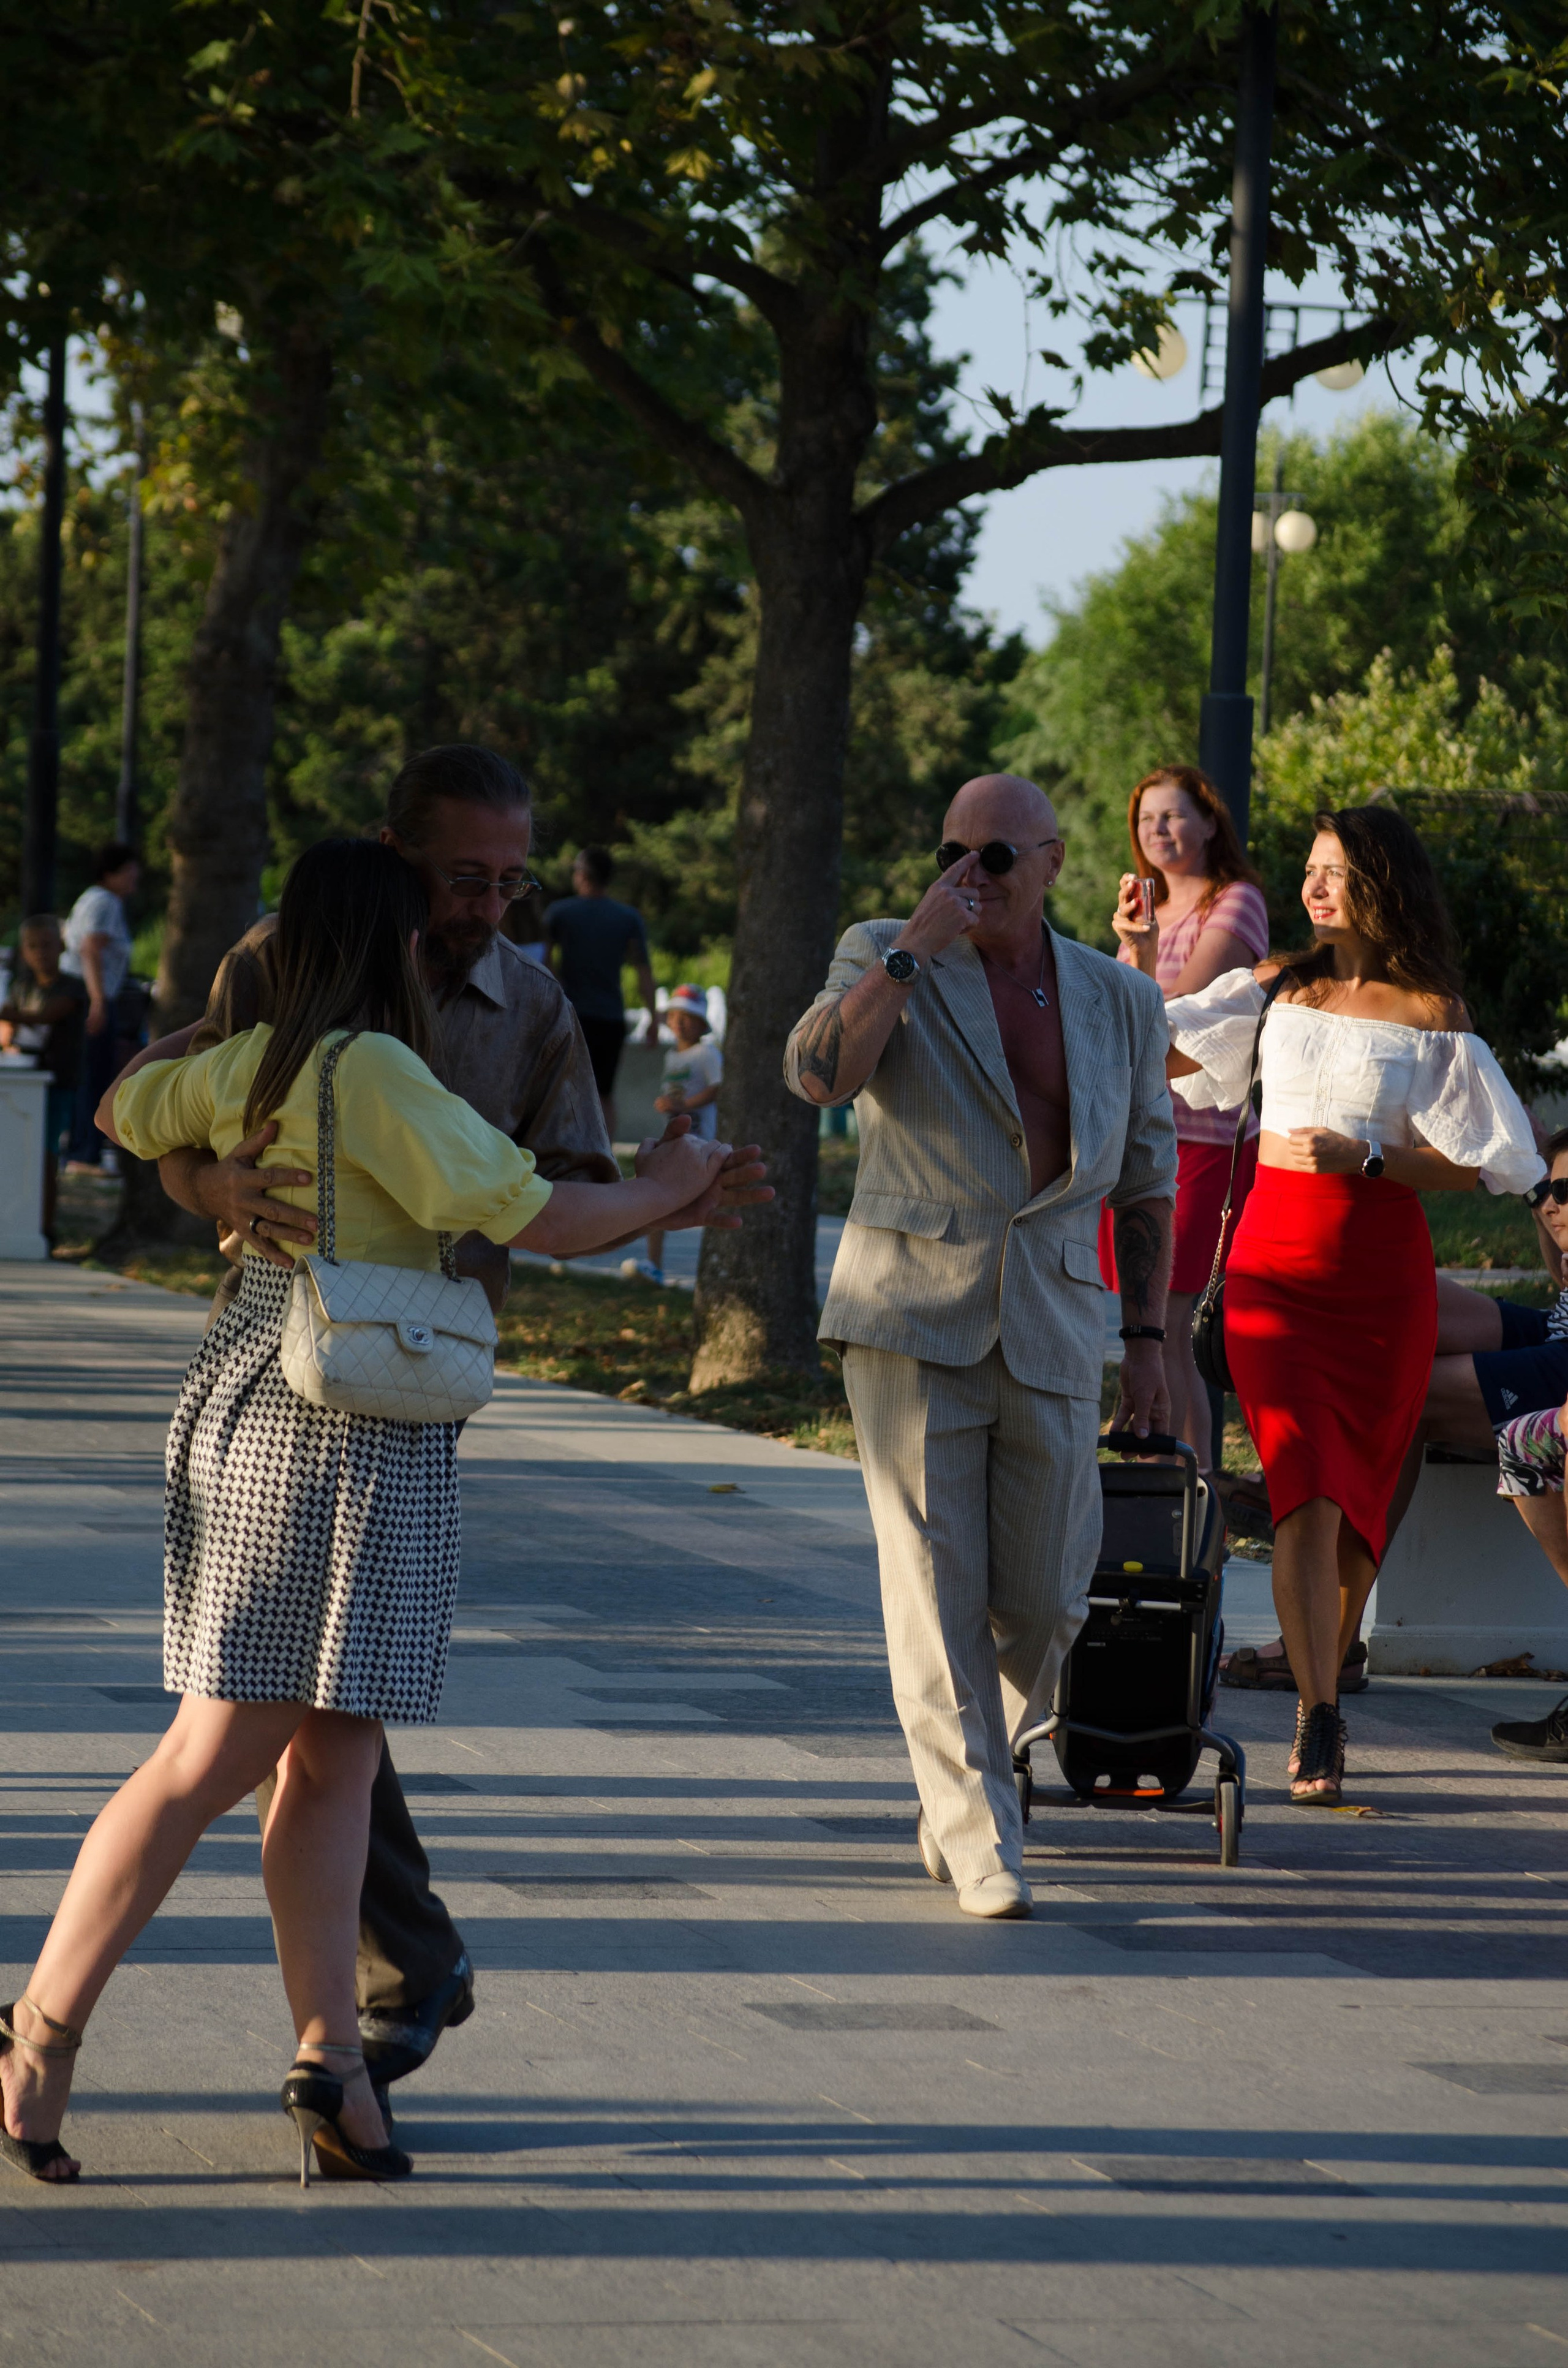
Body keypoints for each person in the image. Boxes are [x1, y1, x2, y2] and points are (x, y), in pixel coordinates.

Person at [0, 838, 731, 2187]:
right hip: (333, 1420)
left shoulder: (258, 1061)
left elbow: (119, 1109)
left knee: (328, 1754)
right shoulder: (374, 1069)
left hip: (276, 1387)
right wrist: (673, 1190)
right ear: (381, 946)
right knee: (216, 1753)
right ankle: (38, 2032)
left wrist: (217, 1173)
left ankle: (332, 2063)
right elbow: (529, 1212)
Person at [786, 773, 1177, 1921]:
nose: (971, 875)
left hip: (1056, 1317)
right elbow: (815, 1076)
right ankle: (978, 1833)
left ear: (1052, 862)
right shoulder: (885, 951)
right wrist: (907, 953)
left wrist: (1148, 1342)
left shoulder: (1118, 999)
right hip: (910, 1308)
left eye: (996, 856)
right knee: (928, 1578)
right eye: (953, 850)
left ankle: (968, 1782)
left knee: (1051, 1594)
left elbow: (1147, 1178)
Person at [1164, 804, 1542, 1804]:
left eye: (1337, 871)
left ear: (1384, 882)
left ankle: (1325, 1680)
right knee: (1305, 1489)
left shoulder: (1431, 1010)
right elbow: (1161, 1054)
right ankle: (1318, 1715)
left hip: (1381, 1281)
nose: (1316, 886)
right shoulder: (1277, 983)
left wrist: (1369, 1156)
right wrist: (1131, 949)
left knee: (1359, 1508)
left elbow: (1480, 1163)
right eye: (1310, 868)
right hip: (1274, 1278)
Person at [1104, 765, 1269, 1474]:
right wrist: (1136, 948)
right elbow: (1123, 1024)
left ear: (1209, 822)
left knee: (1172, 1331)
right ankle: (1158, 1494)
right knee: (1142, 1332)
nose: (1159, 830)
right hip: (1140, 1139)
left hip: (1205, 1140)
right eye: (1146, 820)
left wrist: (1137, 961)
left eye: (1173, 816)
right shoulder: (1144, 916)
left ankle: (1196, 1508)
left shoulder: (1236, 903)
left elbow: (1177, 1014)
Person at [546, 845, 657, 1139]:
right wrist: (654, 1018)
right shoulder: (628, 918)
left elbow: (542, 961)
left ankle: (563, 1157)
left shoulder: (561, 914)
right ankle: (605, 1162)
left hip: (569, 1013)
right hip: (610, 1016)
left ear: (582, 875)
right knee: (604, 1094)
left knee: (562, 1089)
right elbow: (643, 970)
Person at [0, 916, 89, 1239]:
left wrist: (9, 1016)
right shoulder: (22, 987)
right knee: (19, 1152)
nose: (40, 952)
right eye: (33, 946)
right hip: (23, 1083)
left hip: (57, 1084)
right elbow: (9, 1030)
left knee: (47, 1154)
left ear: (62, 946)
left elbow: (45, 1016)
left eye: (47, 945)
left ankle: (45, 1228)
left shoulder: (73, 987)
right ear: (23, 951)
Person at [628, 984, 723, 1285]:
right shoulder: (672, 1057)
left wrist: (683, 1105)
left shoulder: (706, 1053)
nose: (680, 1022)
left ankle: (713, 1272)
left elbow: (717, 1088)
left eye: (689, 1017)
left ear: (702, 1024)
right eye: (675, 1016)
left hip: (700, 1140)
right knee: (657, 1198)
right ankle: (654, 1265)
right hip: (676, 1139)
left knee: (699, 1205)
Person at [60, 841, 140, 1170]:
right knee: (95, 1073)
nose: (136, 879)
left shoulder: (90, 899)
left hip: (85, 993)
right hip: (94, 995)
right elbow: (91, 949)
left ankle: (81, 1148)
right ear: (112, 874)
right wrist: (98, 1001)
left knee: (88, 1072)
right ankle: (84, 1151)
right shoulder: (106, 902)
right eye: (130, 872)